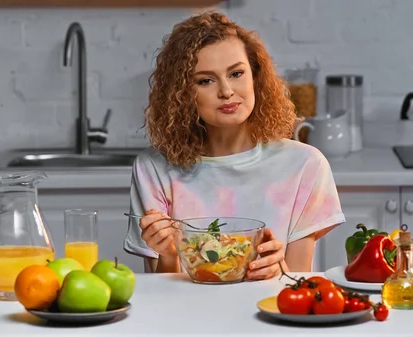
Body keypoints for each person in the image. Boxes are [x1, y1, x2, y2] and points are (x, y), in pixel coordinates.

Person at [123, 11, 345, 280]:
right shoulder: (154, 169)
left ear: (255, 77)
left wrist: (278, 269)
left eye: (236, 73)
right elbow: (162, 292)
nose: (226, 91)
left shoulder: (305, 165)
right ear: (182, 94)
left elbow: (297, 285)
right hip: (184, 318)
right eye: (205, 80)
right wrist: (168, 254)